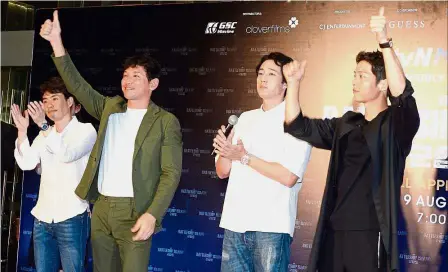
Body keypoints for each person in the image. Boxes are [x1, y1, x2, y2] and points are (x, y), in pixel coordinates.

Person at [39, 10, 183, 272]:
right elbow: (78, 86)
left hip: (135, 210)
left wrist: (152, 214)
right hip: (102, 207)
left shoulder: (165, 122)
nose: (127, 81)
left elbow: (170, 173)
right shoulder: (111, 108)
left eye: (136, 76)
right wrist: (57, 43)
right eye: (125, 75)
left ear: (153, 84)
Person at [283, 7, 420, 272]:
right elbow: (297, 126)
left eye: (362, 75)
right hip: (335, 230)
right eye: (354, 75)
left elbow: (402, 94)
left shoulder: (395, 125)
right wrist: (294, 84)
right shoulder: (346, 123)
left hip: (369, 232)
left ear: (381, 85)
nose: (354, 81)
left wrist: (384, 41)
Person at [213, 52, 312, 272]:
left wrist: (244, 157)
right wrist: (225, 151)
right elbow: (222, 171)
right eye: (260, 73)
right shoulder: (244, 118)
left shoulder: (297, 124)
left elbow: (288, 177)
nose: (263, 79)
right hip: (235, 223)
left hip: (271, 226)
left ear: (286, 83)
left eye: (271, 74)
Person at [12, 76, 96, 272]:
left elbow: (67, 154)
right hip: (43, 217)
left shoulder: (86, 131)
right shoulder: (44, 134)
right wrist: (22, 132)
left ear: (69, 102)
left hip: (73, 215)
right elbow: (27, 163)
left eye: (54, 98)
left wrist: (42, 125)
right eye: (45, 100)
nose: (49, 105)